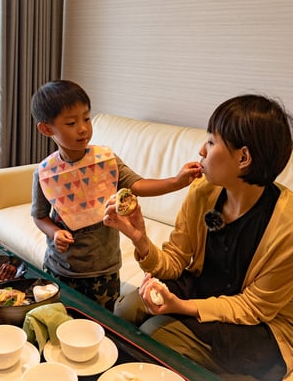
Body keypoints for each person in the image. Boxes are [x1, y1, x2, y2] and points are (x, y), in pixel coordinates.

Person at [103, 94, 293, 380]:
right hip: (207, 289)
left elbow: (254, 307)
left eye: (210, 142)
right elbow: (175, 261)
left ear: (243, 158)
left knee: (156, 335)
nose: (201, 150)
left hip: (266, 323)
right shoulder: (203, 192)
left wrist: (181, 307)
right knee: (126, 310)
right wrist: (140, 238)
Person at [31, 80, 202, 311]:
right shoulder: (45, 173)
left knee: (103, 322)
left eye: (86, 118)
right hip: (60, 268)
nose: (83, 128)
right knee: (59, 317)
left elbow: (138, 185)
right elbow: (39, 216)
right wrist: (54, 232)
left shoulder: (106, 161)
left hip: (105, 269)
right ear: (46, 129)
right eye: (71, 123)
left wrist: (177, 181)